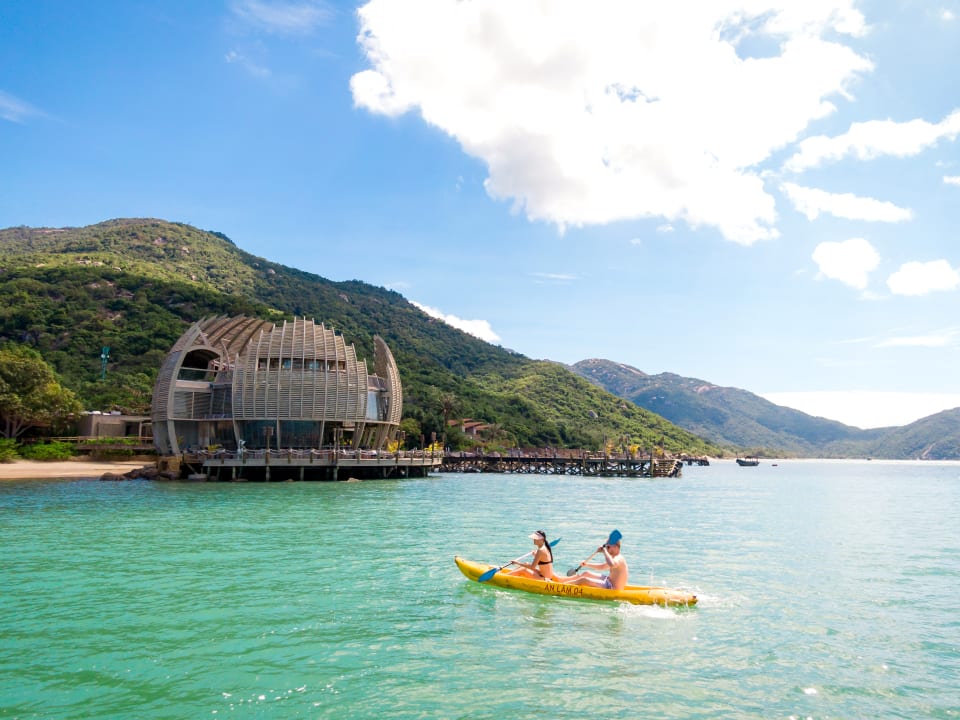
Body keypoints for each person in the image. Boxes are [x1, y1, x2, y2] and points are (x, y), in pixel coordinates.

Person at [562, 539, 628, 590]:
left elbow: (612, 564)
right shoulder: (614, 558)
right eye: (606, 547)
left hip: (611, 587)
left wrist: (604, 551)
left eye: (608, 547)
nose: (606, 549)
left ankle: (562, 586)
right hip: (607, 580)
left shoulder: (618, 558)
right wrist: (587, 564)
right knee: (586, 573)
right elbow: (602, 567)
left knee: (584, 580)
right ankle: (562, 580)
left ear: (616, 547)